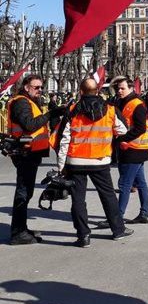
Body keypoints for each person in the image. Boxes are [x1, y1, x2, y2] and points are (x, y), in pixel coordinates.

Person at [55, 77, 133, 247]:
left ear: (81, 92)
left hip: (76, 161)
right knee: (108, 195)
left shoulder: (72, 110)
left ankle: (83, 236)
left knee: (78, 200)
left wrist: (61, 166)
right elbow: (123, 129)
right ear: (97, 91)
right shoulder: (110, 109)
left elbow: (63, 140)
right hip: (100, 160)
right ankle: (118, 230)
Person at [7, 74, 66, 245]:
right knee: (23, 192)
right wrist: (51, 113)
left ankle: (21, 229)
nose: (40, 90)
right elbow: (30, 125)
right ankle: (18, 233)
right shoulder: (21, 102)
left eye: (41, 87)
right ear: (26, 87)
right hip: (25, 153)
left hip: (30, 153)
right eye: (36, 87)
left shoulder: (29, 101)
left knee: (26, 192)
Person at [110, 76, 148, 224]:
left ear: (131, 88)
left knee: (125, 184)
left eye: (123, 88)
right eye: (118, 89)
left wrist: (122, 138)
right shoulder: (120, 102)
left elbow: (141, 128)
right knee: (140, 183)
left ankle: (117, 217)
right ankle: (145, 213)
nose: (119, 91)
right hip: (132, 149)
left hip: (133, 149)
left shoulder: (137, 104)